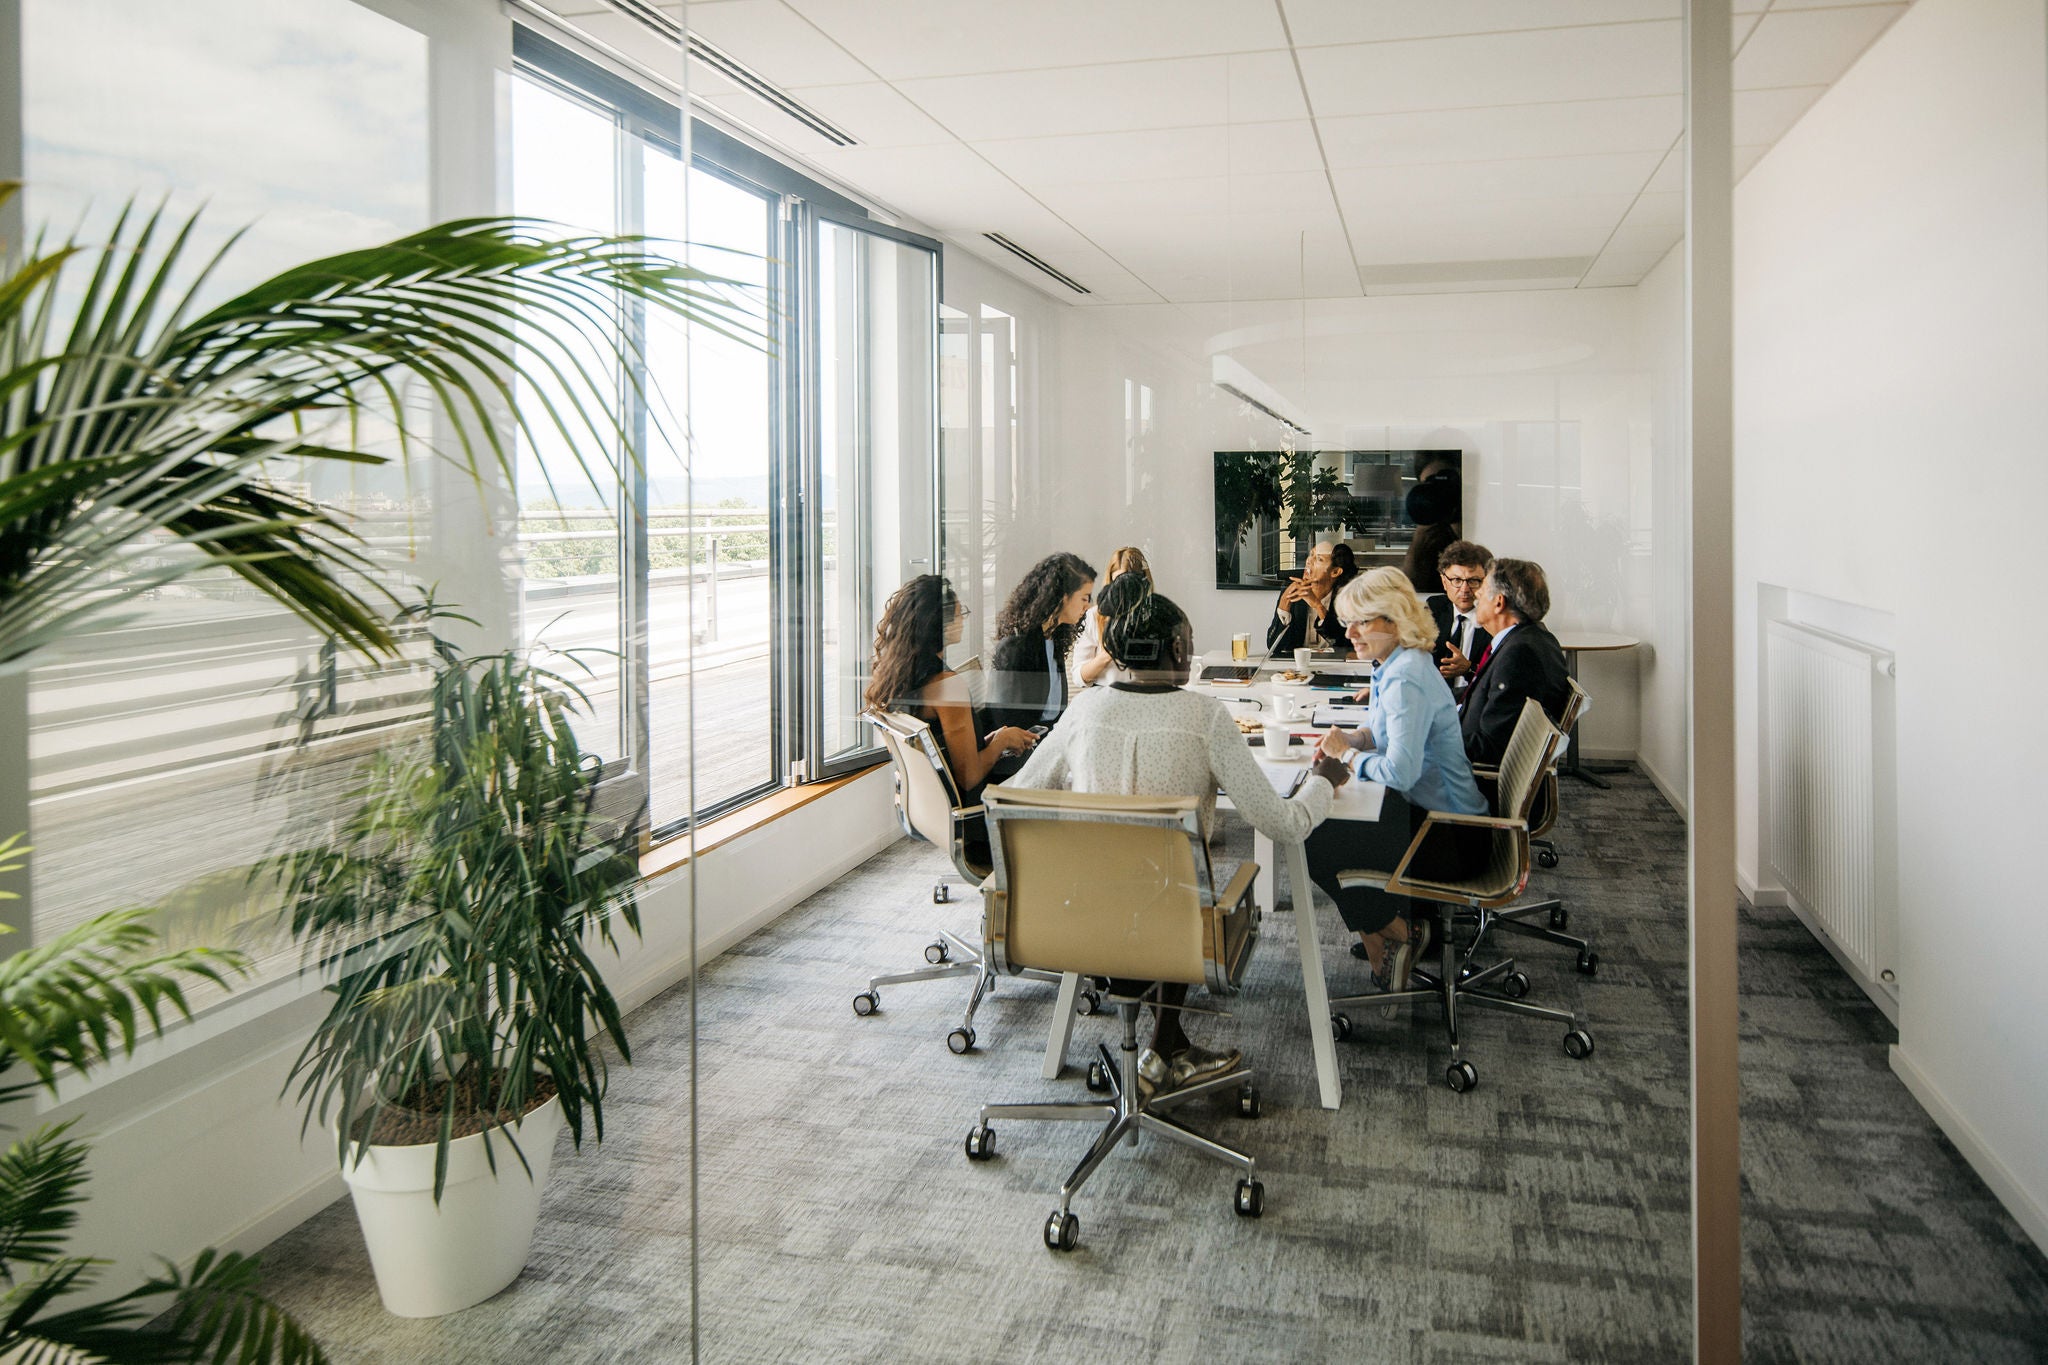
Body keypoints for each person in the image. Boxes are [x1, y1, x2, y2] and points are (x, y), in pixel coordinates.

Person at [1006, 572, 1351, 1097]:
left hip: (1074, 916)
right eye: (1187, 643)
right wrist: (1323, 781)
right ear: (1174, 649)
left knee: (1151, 871)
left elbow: (1014, 798)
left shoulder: (1083, 712)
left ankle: (1169, 1050)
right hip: (1176, 929)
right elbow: (1284, 825)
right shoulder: (1206, 717)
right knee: (1178, 881)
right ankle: (1165, 1052)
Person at [1302, 567, 1489, 995]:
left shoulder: (1406, 675)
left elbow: (1400, 771)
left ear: (1396, 619)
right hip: (1428, 813)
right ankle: (1385, 929)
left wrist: (1345, 757)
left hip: (1449, 834)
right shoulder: (1395, 661)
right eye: (1349, 621)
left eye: (1361, 622)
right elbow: (1379, 734)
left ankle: (1391, 933)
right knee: (1319, 829)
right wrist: (1349, 739)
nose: (1349, 631)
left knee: (1313, 835)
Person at [864, 575, 1040, 860]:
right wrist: (1001, 742)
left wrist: (991, 740)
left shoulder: (896, 678)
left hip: (925, 811)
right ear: (938, 623)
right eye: (960, 614)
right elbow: (968, 777)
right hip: (973, 818)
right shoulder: (947, 685)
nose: (963, 620)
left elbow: (942, 754)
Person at [1459, 557, 1570, 768]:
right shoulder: (1531, 638)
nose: (1476, 593)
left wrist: (1426, 741)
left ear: (1499, 602)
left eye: (1482, 588)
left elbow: (1492, 746)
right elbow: (1483, 696)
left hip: (1474, 779)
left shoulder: (1520, 655)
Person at [986, 552, 1096, 735]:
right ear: (1063, 596)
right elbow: (1004, 721)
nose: (1088, 606)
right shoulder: (1015, 647)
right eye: (1084, 598)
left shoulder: (1054, 638)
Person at [1071, 545, 1150, 688]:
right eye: (1119, 582)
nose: (1125, 588)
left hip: (1146, 698)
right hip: (1105, 697)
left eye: (1131, 581)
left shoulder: (1156, 614)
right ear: (1111, 581)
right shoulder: (1094, 616)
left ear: (1144, 581)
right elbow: (1078, 676)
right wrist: (1107, 654)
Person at [1265, 540, 1358, 656]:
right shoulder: (1292, 592)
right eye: (1311, 555)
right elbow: (1274, 648)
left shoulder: (1346, 598)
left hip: (1335, 667)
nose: (1309, 561)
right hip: (1299, 668)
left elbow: (1346, 647)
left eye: (1319, 559)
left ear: (1335, 571)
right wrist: (1284, 604)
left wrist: (1318, 606)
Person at [1428, 540, 1494, 703]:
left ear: (1487, 583)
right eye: (1457, 580)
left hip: (1474, 706)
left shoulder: (1495, 621)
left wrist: (1469, 669)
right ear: (1444, 582)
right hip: (1431, 703)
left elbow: (1497, 680)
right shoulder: (1433, 609)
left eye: (1473, 581)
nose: (1464, 589)